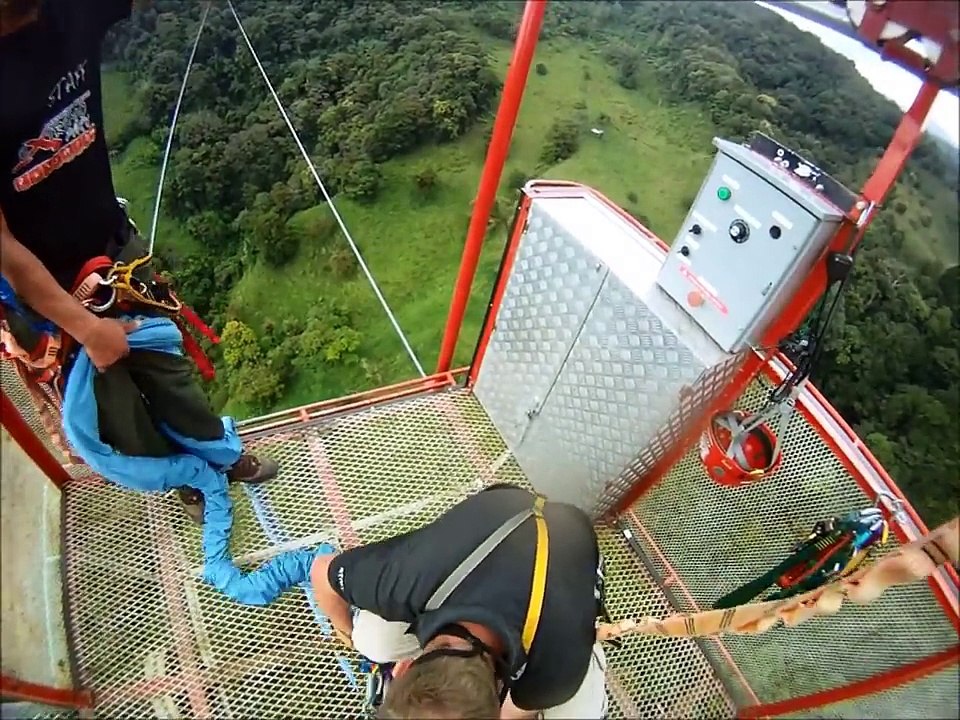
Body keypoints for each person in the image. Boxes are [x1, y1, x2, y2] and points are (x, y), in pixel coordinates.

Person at [0, 0, 278, 523]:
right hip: (42, 296)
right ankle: (185, 481)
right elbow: (3, 249)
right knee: (116, 407)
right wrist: (84, 326)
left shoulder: (69, 10)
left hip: (112, 249)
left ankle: (219, 454)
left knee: (166, 371)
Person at [310, 483, 610, 719]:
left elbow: (514, 713)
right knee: (370, 640)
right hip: (501, 511)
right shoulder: (399, 580)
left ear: (400, 668)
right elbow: (322, 571)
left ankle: (591, 647)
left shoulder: (556, 671)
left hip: (569, 550)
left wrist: (344, 631)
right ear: (403, 669)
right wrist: (345, 631)